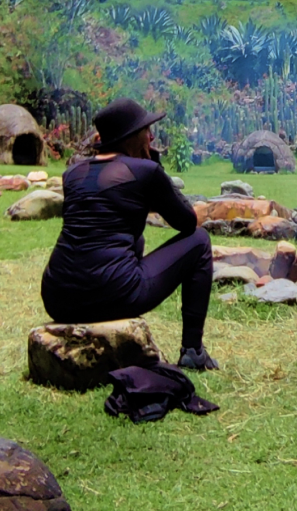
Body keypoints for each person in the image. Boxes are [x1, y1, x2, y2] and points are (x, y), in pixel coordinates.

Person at [41, 98, 218, 370]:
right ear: (133, 138)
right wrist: (157, 170)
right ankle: (193, 350)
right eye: (147, 131)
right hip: (116, 294)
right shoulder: (145, 171)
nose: (151, 136)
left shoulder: (72, 174)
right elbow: (187, 222)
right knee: (200, 241)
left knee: (135, 238)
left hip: (58, 298)